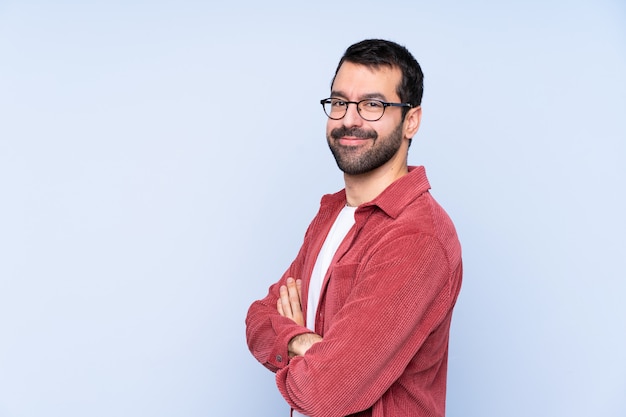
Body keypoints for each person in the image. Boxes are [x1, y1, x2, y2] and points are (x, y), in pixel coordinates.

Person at [245, 39, 463, 417]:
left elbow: (325, 392)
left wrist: (306, 351)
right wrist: (305, 344)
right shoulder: (332, 214)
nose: (349, 119)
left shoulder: (417, 237)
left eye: (373, 105)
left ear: (411, 120)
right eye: (340, 102)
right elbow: (259, 320)